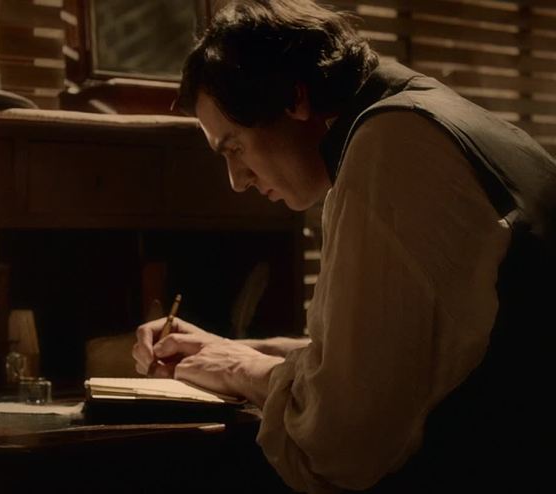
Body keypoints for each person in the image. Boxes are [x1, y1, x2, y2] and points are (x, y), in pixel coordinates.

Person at [132, 0, 556, 492]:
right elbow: (404, 354)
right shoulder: (439, 118)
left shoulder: (392, 146)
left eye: (235, 146)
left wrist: (241, 369)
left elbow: (345, 434)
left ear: (293, 98)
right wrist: (235, 350)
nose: (237, 180)